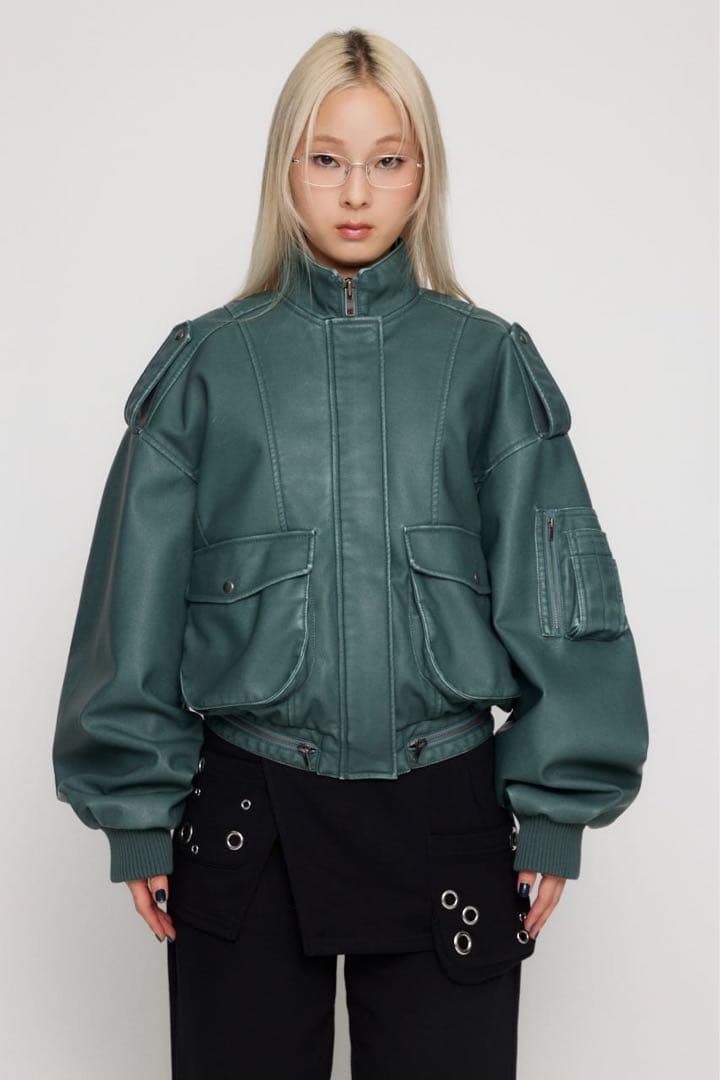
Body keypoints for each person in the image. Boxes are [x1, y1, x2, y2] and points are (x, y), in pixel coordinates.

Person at [51, 26, 649, 1080]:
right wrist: (137, 813)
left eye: (388, 159)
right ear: (285, 168)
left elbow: (560, 599)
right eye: (326, 158)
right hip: (249, 818)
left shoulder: (488, 364)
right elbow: (129, 599)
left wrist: (556, 814)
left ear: (425, 173)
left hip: (448, 812)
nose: (357, 191)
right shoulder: (206, 367)